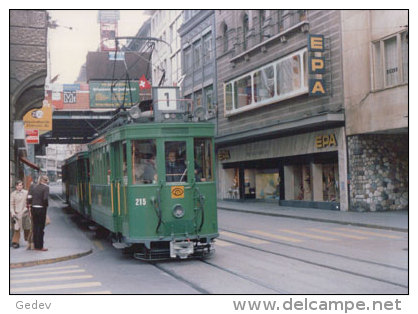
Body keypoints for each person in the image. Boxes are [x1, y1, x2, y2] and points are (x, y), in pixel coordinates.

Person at [27, 175, 49, 251]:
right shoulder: (46, 188)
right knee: (41, 228)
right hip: (41, 209)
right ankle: (40, 246)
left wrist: (30, 205)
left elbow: (29, 197)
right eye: (47, 180)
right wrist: (45, 206)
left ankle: (35, 246)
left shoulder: (33, 186)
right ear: (45, 181)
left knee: (35, 227)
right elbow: (45, 199)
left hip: (33, 208)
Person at [10, 180, 30, 249]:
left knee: (27, 228)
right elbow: (11, 205)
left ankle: (29, 241)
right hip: (16, 214)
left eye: (21, 185)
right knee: (17, 228)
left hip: (25, 213)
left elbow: (28, 204)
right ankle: (15, 242)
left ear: (22, 186)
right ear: (16, 186)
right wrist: (13, 212)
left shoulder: (26, 193)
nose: (19, 187)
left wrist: (23, 212)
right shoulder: (13, 194)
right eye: (18, 185)